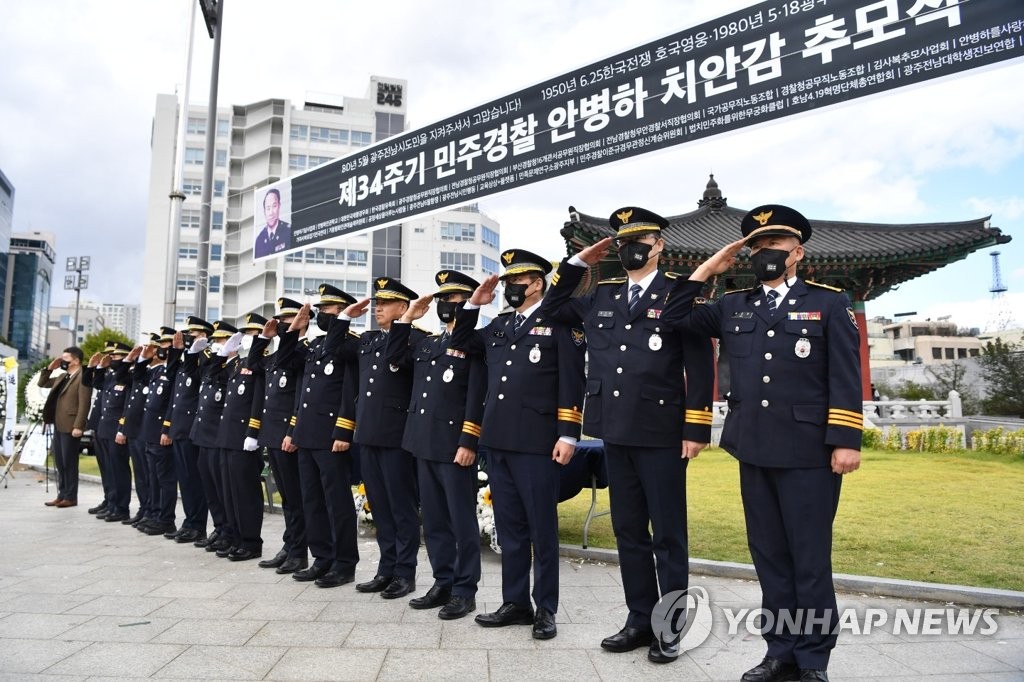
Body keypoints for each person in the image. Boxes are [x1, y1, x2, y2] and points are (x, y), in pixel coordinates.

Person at [680, 204, 862, 682]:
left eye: (774, 246)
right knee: (769, 556)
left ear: (796, 252)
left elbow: (844, 376)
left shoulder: (829, 302)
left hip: (809, 453)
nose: (765, 253)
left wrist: (846, 440)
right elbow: (678, 316)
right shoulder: (736, 305)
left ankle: (813, 659)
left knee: (809, 558)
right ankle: (779, 651)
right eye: (757, 246)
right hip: (754, 448)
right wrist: (709, 269)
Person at [541, 206, 715, 664]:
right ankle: (639, 619)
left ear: (658, 245)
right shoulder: (603, 294)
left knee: (668, 535)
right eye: (622, 242)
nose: (630, 249)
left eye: (640, 240)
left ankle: (669, 627)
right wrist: (579, 265)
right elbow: (554, 308)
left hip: (661, 431)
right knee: (628, 531)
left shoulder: (679, 294)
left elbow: (699, 364)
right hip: (614, 429)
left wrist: (696, 426)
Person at [451, 248, 586, 641]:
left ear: (537, 284)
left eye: (517, 282)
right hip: (499, 441)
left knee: (541, 529)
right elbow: (460, 340)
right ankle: (515, 603)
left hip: (539, 442)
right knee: (510, 529)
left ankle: (545, 608)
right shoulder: (499, 326)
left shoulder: (559, 321)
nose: (510, 287)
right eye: (508, 281)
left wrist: (568, 433)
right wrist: (475, 305)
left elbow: (571, 379)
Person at [393, 269, 486, 620]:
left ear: (467, 302)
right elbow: (394, 358)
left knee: (461, 521)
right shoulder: (428, 343)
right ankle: (442, 581)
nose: (447, 304)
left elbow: (477, 394)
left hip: (453, 445)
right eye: (443, 298)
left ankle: (465, 590)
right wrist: (407, 318)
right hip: (422, 442)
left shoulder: (473, 343)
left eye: (454, 298)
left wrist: (469, 439)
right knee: (432, 520)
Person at [335, 277, 426, 600]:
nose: (377, 308)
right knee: (380, 508)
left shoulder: (415, 339)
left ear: (403, 308)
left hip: (396, 436)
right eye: (377, 303)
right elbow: (335, 347)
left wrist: (404, 325)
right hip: (369, 433)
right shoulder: (368, 339)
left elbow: (397, 359)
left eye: (385, 303)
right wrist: (346, 316)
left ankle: (405, 572)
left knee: (401, 508)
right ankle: (386, 569)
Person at [284, 286, 361, 588]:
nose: (321, 314)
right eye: (321, 309)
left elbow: (349, 391)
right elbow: (286, 361)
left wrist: (344, 430)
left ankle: (344, 563)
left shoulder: (350, 346)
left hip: (331, 436)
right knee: (312, 500)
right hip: (307, 435)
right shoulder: (315, 346)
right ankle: (322, 558)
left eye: (328, 309)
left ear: (342, 311)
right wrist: (295, 329)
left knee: (336, 502)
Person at [250, 298, 311, 574]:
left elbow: (300, 397)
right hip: (271, 434)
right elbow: (253, 364)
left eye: (288, 319)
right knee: (286, 497)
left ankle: (299, 552)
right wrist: (264, 337)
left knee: (296, 498)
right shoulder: (276, 356)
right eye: (281, 319)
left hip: (287, 435)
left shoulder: (302, 352)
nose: (282, 324)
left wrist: (292, 431)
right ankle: (290, 545)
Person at [216, 314, 268, 562]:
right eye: (245, 333)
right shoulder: (237, 364)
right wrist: (223, 354)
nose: (247, 337)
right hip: (227, 437)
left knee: (246, 493)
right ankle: (236, 537)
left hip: (244, 438)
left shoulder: (260, 364)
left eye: (252, 333)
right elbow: (214, 376)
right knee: (230, 493)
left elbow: (258, 400)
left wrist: (253, 432)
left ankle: (251, 541)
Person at [161, 317, 215, 544]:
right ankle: (189, 522)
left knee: (194, 480)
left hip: (193, 428)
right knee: (185, 480)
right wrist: (176, 351)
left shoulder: (206, 358)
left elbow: (198, 376)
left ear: (203, 335)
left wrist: (196, 351)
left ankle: (197, 525)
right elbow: (172, 379)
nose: (189, 336)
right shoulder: (186, 360)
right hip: (180, 428)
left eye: (194, 333)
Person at [137, 327, 180, 536]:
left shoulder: (176, 369)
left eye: (166, 345)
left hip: (162, 433)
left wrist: (168, 429)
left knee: (165, 479)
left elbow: (172, 403)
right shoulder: (157, 370)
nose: (162, 348)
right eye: (161, 345)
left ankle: (165, 519)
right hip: (149, 432)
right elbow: (137, 378)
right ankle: (153, 514)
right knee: (153, 477)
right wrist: (143, 360)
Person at [39, 346, 93, 508]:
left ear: (76, 361)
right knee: (60, 461)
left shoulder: (83, 376)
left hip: (71, 426)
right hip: (58, 424)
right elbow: (43, 383)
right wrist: (50, 369)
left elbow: (84, 403)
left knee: (69, 462)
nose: (62, 361)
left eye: (66, 359)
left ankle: (71, 496)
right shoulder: (63, 376)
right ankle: (62, 494)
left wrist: (79, 425)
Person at [87, 342, 135, 522]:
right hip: (104, 428)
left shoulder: (128, 376)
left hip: (117, 430)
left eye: (116, 356)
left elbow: (127, 406)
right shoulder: (111, 376)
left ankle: (121, 508)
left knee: (119, 470)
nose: (112, 358)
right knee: (109, 469)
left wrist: (122, 428)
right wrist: (98, 366)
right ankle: (112, 503)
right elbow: (95, 383)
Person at [254, 188, 292, 258]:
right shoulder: (259, 240)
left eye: (274, 206)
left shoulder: (289, 231)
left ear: (279, 206)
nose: (271, 212)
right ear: (264, 212)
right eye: (268, 208)